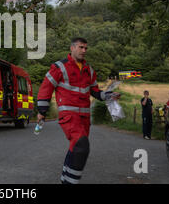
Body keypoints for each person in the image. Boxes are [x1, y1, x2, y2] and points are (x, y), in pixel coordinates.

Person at [37, 37, 121, 184]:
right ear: (72, 48)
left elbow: (95, 92)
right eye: (81, 47)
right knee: (81, 147)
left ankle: (65, 179)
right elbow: (46, 87)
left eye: (85, 48)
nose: (84, 51)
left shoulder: (89, 70)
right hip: (69, 116)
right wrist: (42, 111)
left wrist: (109, 95)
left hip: (84, 118)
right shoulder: (59, 67)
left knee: (75, 148)